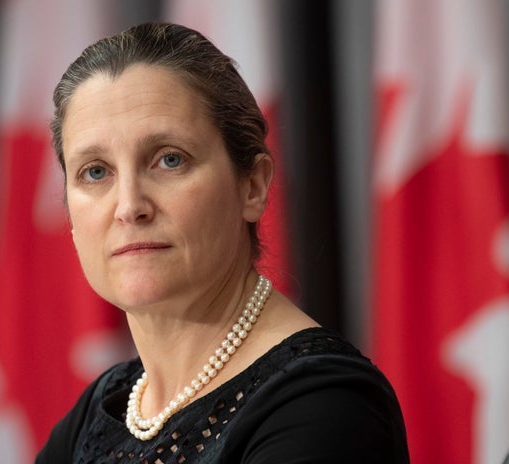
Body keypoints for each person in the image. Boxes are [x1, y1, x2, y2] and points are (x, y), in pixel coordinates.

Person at [36, 22, 409, 463]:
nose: (129, 206)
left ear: (252, 186)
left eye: (168, 160)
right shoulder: (102, 410)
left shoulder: (326, 408)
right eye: (95, 171)